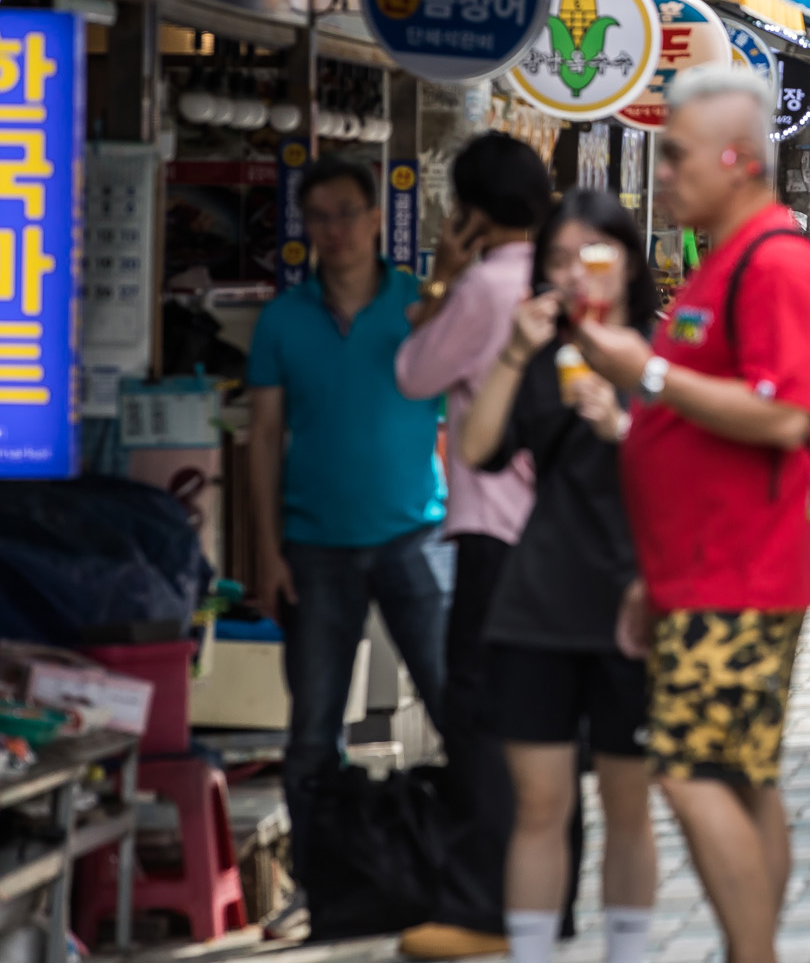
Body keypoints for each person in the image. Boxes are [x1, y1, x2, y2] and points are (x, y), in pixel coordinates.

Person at [567, 67, 810, 963]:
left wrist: (639, 371)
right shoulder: (722, 262)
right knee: (743, 777)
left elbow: (787, 414)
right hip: (701, 567)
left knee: (693, 775)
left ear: (737, 159)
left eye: (677, 156)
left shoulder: (777, 263)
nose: (665, 172)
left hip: (739, 572)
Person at [457, 191, 658, 963]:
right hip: (537, 599)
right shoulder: (536, 352)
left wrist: (623, 424)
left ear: (629, 262)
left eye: (593, 256)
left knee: (627, 804)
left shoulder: (656, 354)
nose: (576, 272)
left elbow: (688, 472)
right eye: (559, 259)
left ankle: (628, 952)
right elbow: (477, 451)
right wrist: (511, 352)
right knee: (539, 805)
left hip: (633, 602)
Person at [247, 157, 447, 909]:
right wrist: (266, 550)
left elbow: (461, 410)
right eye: (319, 216)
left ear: (374, 220)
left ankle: (463, 862)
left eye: (346, 213)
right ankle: (320, 883)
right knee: (312, 729)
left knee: (452, 705)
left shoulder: (419, 308)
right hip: (313, 546)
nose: (334, 229)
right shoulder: (283, 318)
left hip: (415, 538)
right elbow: (263, 438)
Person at [392, 134, 551, 959]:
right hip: (557, 538)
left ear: (474, 210)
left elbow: (414, 373)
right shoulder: (563, 282)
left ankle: (481, 908)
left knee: (481, 719)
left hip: (492, 528)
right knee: (543, 724)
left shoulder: (486, 286)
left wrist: (442, 277)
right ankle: (539, 904)